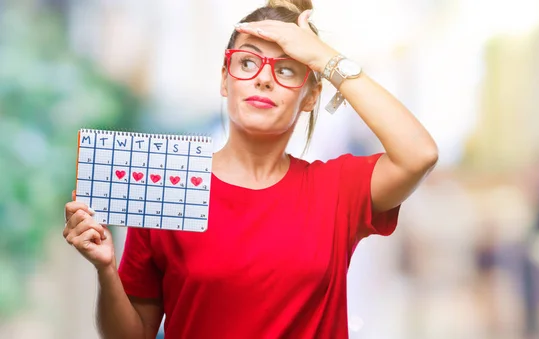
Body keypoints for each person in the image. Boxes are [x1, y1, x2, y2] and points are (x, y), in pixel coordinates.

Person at [62, 0, 438, 337]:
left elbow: (419, 154)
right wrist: (106, 271)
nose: (262, 77)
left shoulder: (337, 190)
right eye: (247, 62)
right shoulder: (169, 186)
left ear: (310, 96)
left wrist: (325, 58)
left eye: (287, 70)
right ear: (225, 80)